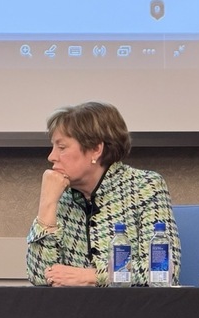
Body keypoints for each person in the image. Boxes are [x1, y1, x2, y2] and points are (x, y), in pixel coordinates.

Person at [26, 101, 181, 287]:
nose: (51, 157)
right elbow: (39, 276)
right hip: (74, 311)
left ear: (95, 150)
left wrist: (92, 276)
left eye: (62, 147)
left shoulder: (145, 186)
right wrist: (47, 205)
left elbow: (162, 272)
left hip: (130, 310)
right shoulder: (61, 194)